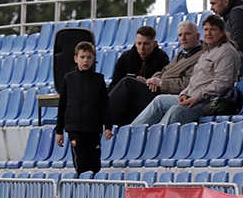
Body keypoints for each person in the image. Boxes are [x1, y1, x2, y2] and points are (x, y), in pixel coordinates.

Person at [131, 14, 241, 126]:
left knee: (176, 110)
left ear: (222, 32)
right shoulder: (207, 51)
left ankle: (157, 137)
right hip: (193, 96)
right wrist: (184, 94)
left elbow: (222, 83)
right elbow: (194, 81)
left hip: (209, 100)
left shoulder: (226, 52)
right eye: (206, 30)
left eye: (213, 30)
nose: (208, 33)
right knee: (159, 101)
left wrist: (196, 98)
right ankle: (132, 132)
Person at [108, 21, 202, 126]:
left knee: (128, 83)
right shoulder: (182, 53)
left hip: (167, 94)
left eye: (187, 34)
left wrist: (161, 83)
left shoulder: (199, 56)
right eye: (180, 35)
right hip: (155, 89)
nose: (183, 38)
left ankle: (102, 119)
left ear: (197, 36)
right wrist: (151, 80)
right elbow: (163, 71)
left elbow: (186, 83)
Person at [55, 42, 113, 175]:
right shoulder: (68, 79)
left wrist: (108, 126)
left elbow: (104, 104)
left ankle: (93, 190)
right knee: (80, 161)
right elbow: (62, 105)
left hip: (93, 128)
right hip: (74, 128)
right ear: (76, 59)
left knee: (94, 162)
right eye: (82, 57)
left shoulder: (99, 79)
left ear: (93, 59)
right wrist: (59, 131)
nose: (85, 60)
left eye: (89, 57)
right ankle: (82, 189)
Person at [108, 25, 170, 91]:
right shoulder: (126, 57)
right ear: (135, 43)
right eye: (139, 43)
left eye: (146, 44)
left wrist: (145, 82)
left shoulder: (162, 58)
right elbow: (115, 83)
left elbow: (164, 83)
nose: (142, 48)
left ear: (154, 44)